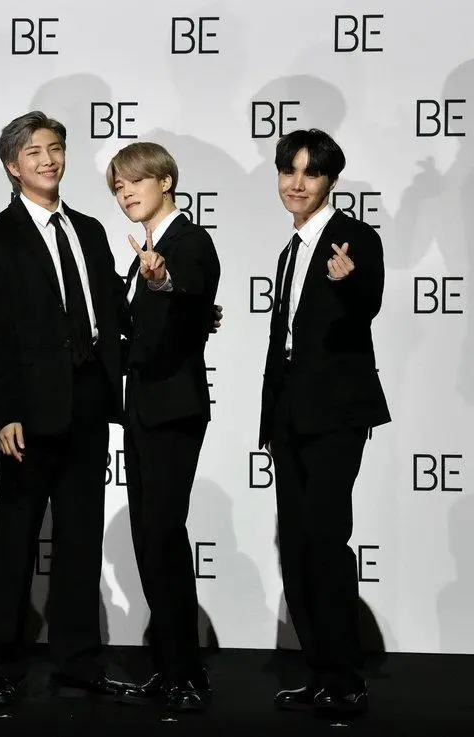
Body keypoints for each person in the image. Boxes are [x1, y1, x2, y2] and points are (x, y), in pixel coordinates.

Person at [0, 111, 129, 706]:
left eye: (55, 148)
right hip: (30, 412)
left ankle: (78, 663)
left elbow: (112, 307)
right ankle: (3, 666)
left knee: (81, 538)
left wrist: (173, 299)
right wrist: (5, 413)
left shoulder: (89, 229)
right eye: (33, 151)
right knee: (16, 540)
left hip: (88, 400)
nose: (48, 159)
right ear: (12, 165)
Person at [259, 129, 389, 716]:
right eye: (288, 170)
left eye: (310, 173)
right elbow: (284, 343)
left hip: (336, 415)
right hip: (290, 417)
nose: (296, 183)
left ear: (330, 181)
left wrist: (348, 280)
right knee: (296, 544)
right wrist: (270, 420)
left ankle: (345, 677)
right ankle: (319, 671)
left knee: (326, 539)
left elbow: (369, 301)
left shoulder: (354, 238)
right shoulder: (290, 250)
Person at [105, 142, 220, 713]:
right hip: (145, 409)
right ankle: (173, 667)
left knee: (164, 538)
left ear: (166, 180)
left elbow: (193, 288)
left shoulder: (187, 242)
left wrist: (162, 280)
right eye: (118, 187)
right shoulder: (143, 253)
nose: (126, 193)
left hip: (174, 410)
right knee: (150, 540)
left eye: (135, 181)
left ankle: (185, 675)